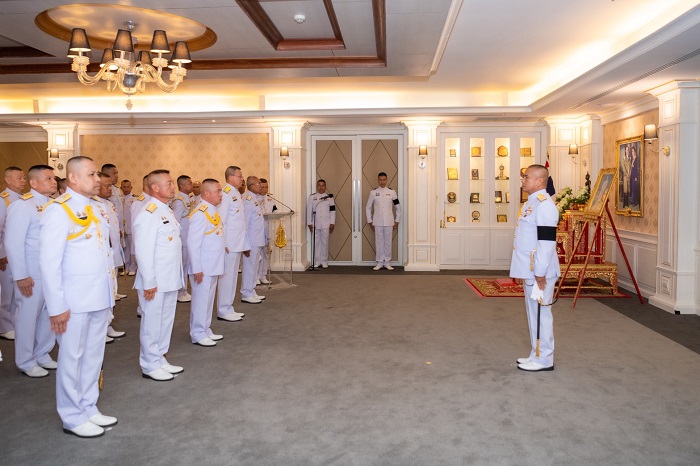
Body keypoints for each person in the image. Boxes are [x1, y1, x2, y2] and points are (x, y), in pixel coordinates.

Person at [40, 156, 117, 438]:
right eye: (92, 174)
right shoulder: (58, 210)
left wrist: (110, 294)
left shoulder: (96, 207)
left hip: (99, 296)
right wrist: (56, 307)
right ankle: (72, 416)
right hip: (73, 301)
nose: (98, 179)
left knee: (94, 356)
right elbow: (49, 263)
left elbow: (103, 254)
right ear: (73, 178)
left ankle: (88, 406)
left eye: (98, 174)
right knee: (72, 359)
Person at [4, 165, 57, 377]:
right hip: (31, 274)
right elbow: (12, 243)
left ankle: (42, 353)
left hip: (51, 273)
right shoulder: (22, 206)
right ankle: (25, 361)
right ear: (33, 183)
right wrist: (21, 275)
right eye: (48, 178)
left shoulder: (54, 205)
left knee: (48, 314)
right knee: (27, 318)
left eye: (54, 178)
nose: (54, 182)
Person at [133, 170, 185, 381]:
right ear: (155, 187)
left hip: (169, 277)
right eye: (169, 183)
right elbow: (143, 251)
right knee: (152, 323)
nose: (173, 187)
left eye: (172, 183)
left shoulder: (166, 210)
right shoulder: (148, 213)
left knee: (165, 320)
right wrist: (149, 282)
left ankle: (159, 356)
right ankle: (149, 363)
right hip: (154, 280)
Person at [510, 164, 560, 372]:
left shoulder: (545, 205)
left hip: (540, 271)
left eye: (527, 177)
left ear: (540, 181)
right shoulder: (532, 202)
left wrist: (540, 272)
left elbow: (546, 243)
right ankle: (536, 353)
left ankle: (544, 359)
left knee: (541, 315)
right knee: (533, 314)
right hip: (531, 270)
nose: (523, 180)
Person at [187, 179, 225, 346]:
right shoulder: (200, 213)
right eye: (218, 191)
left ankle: (205, 328)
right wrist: (197, 268)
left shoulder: (212, 210)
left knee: (208, 299)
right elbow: (192, 243)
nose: (221, 194)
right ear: (207, 194)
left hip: (212, 265)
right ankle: (197, 333)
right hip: (203, 266)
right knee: (200, 301)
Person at [216, 166, 249, 322]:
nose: (242, 179)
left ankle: (228, 307)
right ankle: (223, 309)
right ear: (230, 177)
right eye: (239, 176)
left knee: (233, 277)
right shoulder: (226, 193)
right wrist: (223, 243)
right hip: (229, 244)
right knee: (226, 278)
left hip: (236, 243)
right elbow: (220, 220)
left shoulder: (235, 193)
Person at [97, 173, 126, 341]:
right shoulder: (93, 205)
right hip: (102, 258)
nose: (110, 189)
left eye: (110, 186)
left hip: (112, 254)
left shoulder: (108, 204)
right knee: (102, 294)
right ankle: (101, 328)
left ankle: (107, 324)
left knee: (111, 291)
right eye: (106, 186)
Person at [0, 166, 27, 341]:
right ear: (8, 180)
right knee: (6, 291)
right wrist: (1, 253)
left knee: (18, 292)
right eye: (19, 178)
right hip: (7, 254)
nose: (23, 181)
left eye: (24, 177)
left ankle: (14, 322)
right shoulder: (3, 200)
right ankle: (4, 326)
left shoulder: (24, 199)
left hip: (21, 253)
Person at [365, 172, 400, 271]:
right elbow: (368, 207)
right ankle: (380, 262)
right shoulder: (373, 193)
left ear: (386, 180)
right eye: (380, 180)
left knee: (388, 242)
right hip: (377, 221)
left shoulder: (392, 192)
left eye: (384, 180)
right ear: (378, 180)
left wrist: (397, 220)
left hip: (389, 221)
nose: (382, 182)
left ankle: (387, 262)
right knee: (379, 242)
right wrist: (370, 221)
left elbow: (398, 207)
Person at [240, 176, 267, 304]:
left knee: (254, 267)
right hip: (251, 240)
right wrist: (245, 243)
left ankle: (251, 290)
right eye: (258, 184)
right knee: (249, 268)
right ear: (251, 186)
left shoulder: (255, 198)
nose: (260, 186)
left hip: (257, 239)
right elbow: (245, 223)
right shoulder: (248, 200)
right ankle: (246, 293)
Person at [170, 175, 193, 303]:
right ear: (183, 186)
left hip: (188, 238)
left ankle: (184, 290)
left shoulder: (187, 199)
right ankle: (180, 291)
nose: (191, 185)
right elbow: (175, 222)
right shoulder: (179, 201)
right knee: (182, 266)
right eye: (189, 183)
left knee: (185, 265)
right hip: (182, 239)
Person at [307, 179, 335, 268]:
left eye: (323, 185)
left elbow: (332, 211)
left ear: (325, 187)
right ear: (317, 186)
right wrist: (309, 222)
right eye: (319, 185)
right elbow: (309, 210)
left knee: (325, 243)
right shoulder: (312, 197)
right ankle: (317, 261)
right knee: (316, 243)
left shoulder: (329, 198)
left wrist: (332, 222)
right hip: (316, 223)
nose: (321, 187)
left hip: (326, 223)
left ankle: (324, 261)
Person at [257, 178, 276, 284]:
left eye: (266, 187)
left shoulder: (270, 199)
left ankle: (263, 275)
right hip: (258, 230)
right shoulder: (254, 199)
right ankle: (255, 277)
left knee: (266, 253)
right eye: (262, 187)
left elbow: (275, 211)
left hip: (268, 229)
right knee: (257, 254)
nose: (264, 189)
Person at [120, 179, 138, 276]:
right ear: (121, 188)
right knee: (125, 248)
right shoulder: (119, 199)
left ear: (131, 187)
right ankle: (126, 267)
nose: (126, 189)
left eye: (128, 187)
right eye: (124, 187)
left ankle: (133, 268)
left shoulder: (135, 199)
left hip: (131, 227)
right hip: (123, 228)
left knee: (133, 249)